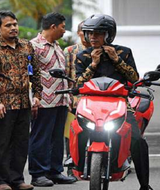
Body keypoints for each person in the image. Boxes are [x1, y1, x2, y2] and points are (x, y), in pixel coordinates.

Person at [75, 14, 152, 190]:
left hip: (120, 102)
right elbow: (78, 83)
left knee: (138, 140)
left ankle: (144, 184)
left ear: (109, 35)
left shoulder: (124, 52)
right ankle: (75, 162)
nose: (92, 37)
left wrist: (117, 60)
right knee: (76, 129)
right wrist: (93, 64)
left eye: (98, 33)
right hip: (90, 103)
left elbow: (133, 78)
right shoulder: (83, 56)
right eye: (89, 33)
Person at [0, 11, 42, 190]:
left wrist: (37, 96)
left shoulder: (26, 46)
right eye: (8, 25)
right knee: (0, 143)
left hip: (24, 102)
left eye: (15, 24)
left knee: (21, 142)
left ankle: (16, 179)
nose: (13, 28)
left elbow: (35, 73)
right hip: (3, 103)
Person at [28, 12, 76, 187]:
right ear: (53, 26)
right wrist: (34, 98)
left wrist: (68, 97)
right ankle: (38, 174)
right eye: (63, 27)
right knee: (41, 137)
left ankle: (55, 171)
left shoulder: (57, 46)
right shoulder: (33, 46)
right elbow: (29, 74)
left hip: (61, 99)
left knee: (56, 138)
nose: (65, 30)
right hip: (44, 101)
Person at [63, 20, 91, 177]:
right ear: (80, 33)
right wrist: (68, 98)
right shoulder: (69, 51)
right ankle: (72, 166)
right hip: (75, 100)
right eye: (86, 31)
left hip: (96, 100)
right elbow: (65, 76)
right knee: (72, 134)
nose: (90, 35)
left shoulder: (102, 51)